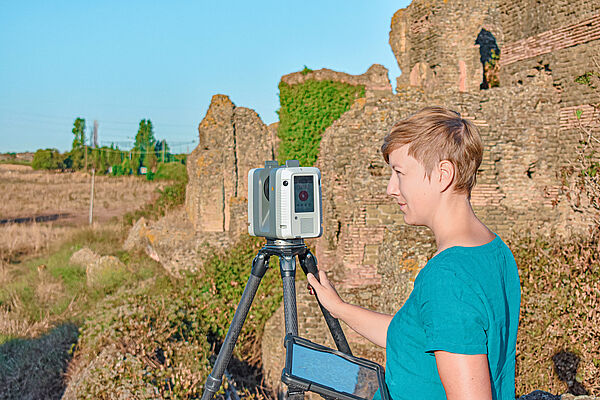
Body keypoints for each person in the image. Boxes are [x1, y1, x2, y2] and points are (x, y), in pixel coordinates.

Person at [307, 106, 521, 400]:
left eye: (399, 173)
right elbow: (413, 338)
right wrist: (339, 307)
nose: (390, 189)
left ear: (443, 174)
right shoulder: (495, 252)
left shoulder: (447, 279)